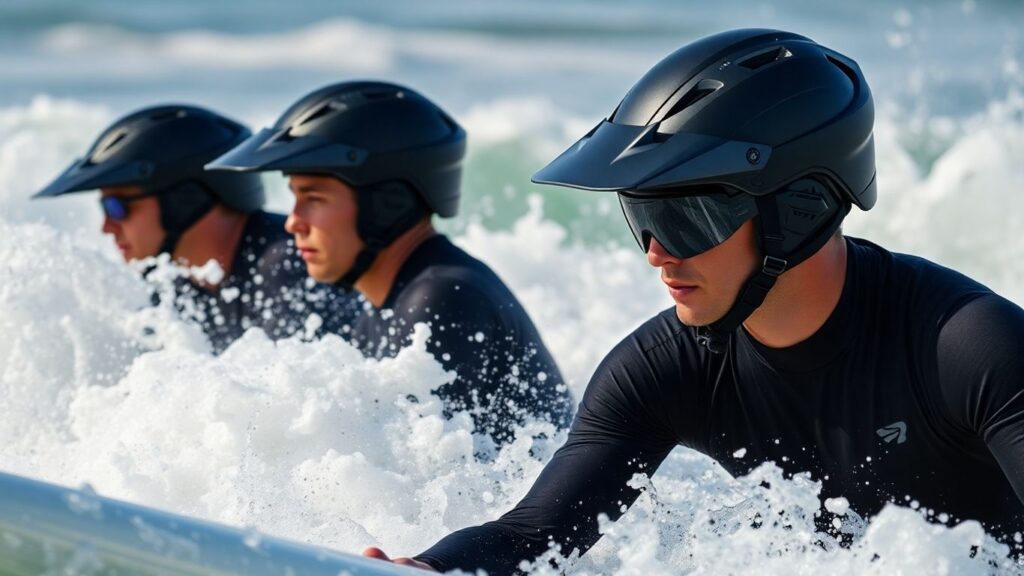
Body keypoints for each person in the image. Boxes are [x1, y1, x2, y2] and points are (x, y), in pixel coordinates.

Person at [363, 29, 1024, 573]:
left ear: (797, 210)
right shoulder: (661, 372)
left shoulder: (972, 349)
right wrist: (423, 570)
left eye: (683, 218)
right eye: (640, 216)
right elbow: (527, 539)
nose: (655, 251)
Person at [206, 81, 574, 444]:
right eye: (294, 199)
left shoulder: (441, 298)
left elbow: (432, 484)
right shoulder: (387, 300)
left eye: (314, 199)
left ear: (387, 203)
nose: (292, 222)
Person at [33, 104, 360, 354]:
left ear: (185, 200)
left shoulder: (289, 266)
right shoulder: (173, 284)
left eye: (118, 207)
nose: (107, 227)